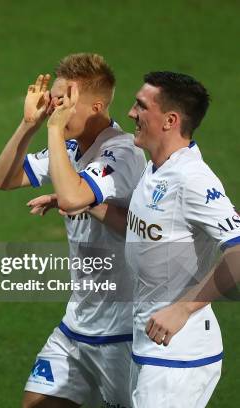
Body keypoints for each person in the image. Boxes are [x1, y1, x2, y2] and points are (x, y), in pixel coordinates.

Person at [0, 53, 145, 407]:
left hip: (121, 331)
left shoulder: (121, 153)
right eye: (53, 101)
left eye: (64, 103)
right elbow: (2, 179)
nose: (55, 109)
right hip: (76, 324)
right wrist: (29, 124)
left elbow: (75, 197)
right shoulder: (70, 146)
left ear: (96, 106)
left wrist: (54, 131)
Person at [123, 71, 240, 407]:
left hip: (178, 353)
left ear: (169, 120)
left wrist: (184, 308)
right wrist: (93, 208)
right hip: (152, 344)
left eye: (141, 106)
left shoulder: (191, 178)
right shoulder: (156, 167)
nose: (132, 113)